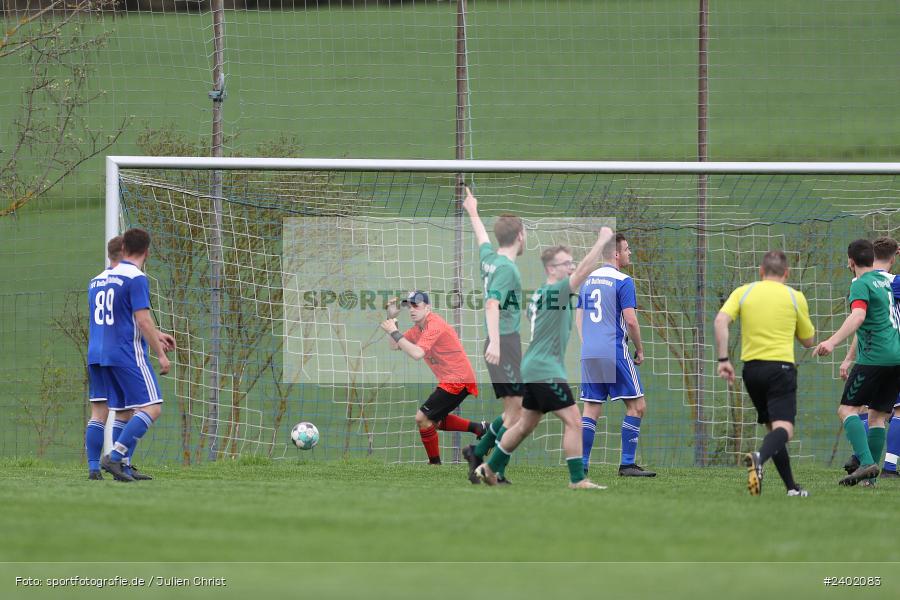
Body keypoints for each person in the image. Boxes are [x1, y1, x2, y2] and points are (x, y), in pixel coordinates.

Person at [475, 227, 615, 489]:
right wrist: (601, 241)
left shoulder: (539, 294)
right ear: (552, 269)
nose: (571, 267)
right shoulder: (556, 292)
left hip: (533, 368)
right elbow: (584, 271)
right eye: (566, 264)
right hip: (545, 371)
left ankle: (489, 467)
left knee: (523, 426)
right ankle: (577, 479)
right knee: (575, 422)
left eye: (571, 263)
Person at [714, 250, 815, 496]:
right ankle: (759, 457)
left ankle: (791, 487)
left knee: (773, 430)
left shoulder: (744, 291)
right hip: (780, 369)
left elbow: (720, 321)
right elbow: (808, 340)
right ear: (786, 273)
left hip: (752, 371)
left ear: (761, 271)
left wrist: (724, 359)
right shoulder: (794, 297)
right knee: (785, 430)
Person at [816, 239, 900, 486]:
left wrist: (832, 342)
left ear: (850, 262)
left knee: (846, 410)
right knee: (876, 417)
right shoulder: (887, 282)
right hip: (896, 358)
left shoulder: (860, 284)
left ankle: (865, 462)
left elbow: (859, 316)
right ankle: (869, 479)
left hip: (874, 358)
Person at [576, 232, 655, 477]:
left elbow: (578, 316)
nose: (630, 253)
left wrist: (588, 342)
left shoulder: (587, 281)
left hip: (589, 351)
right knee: (637, 406)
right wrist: (640, 349)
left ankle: (582, 464)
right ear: (616, 254)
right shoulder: (623, 280)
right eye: (627, 249)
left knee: (591, 409)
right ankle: (628, 464)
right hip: (614, 350)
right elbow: (631, 321)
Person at [461, 186, 525, 484]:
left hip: (503, 341)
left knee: (514, 411)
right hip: (504, 342)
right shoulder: (507, 269)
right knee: (518, 415)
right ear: (520, 236)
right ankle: (490, 466)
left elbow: (482, 239)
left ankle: (478, 452)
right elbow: (491, 303)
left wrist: (472, 210)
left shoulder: (490, 258)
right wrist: (497, 343)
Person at [100, 228, 174, 482]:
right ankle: (115, 456)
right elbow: (142, 320)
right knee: (152, 407)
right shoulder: (136, 277)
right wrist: (161, 355)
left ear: (123, 249)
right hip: (127, 352)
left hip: (106, 353)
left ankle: (125, 467)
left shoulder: (109, 275)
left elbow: (125, 317)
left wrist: (157, 333)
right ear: (147, 252)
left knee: (124, 411)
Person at [380, 291, 484, 465]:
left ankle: (434, 464)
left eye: (416, 305)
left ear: (427, 308)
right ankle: (479, 428)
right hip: (452, 379)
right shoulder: (417, 329)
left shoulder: (434, 324)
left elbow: (417, 353)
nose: (412, 310)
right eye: (409, 306)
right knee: (430, 421)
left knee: (422, 418)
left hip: (458, 379)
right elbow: (394, 345)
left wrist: (394, 331)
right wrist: (392, 319)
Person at [84, 236, 123, 480]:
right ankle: (120, 464)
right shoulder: (124, 280)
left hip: (94, 351)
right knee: (125, 411)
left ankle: (93, 468)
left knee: (98, 412)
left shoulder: (94, 282)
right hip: (116, 352)